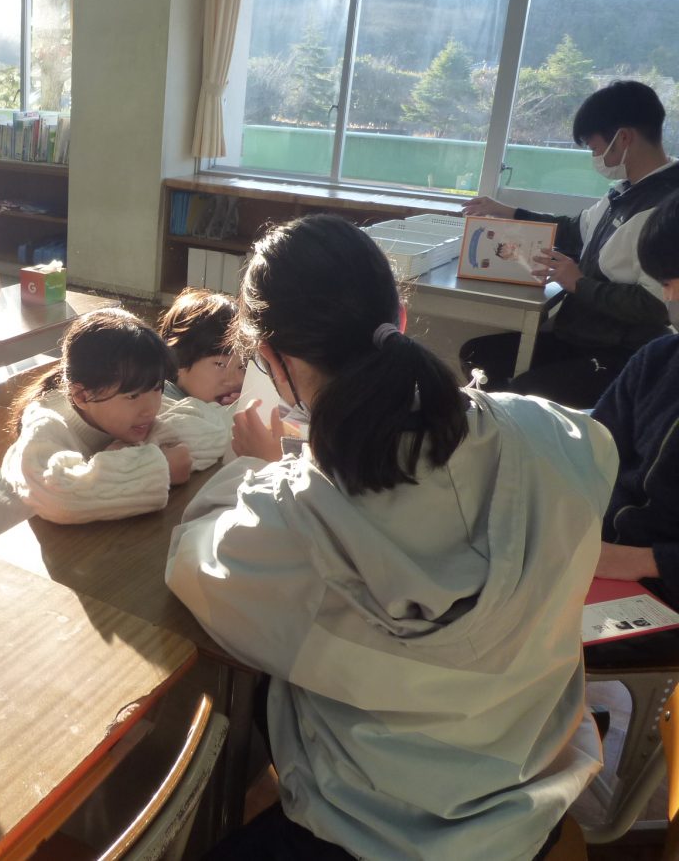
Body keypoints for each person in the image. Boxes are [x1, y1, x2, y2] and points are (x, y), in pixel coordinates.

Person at [166, 214, 617, 860]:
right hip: (533, 810)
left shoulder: (293, 522)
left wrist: (260, 467)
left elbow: (192, 561)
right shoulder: (561, 438)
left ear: (272, 361)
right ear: (400, 318)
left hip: (371, 834)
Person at [460, 80, 677, 408]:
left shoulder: (667, 208)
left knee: (521, 395)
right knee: (479, 357)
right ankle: (503, 438)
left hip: (620, 350)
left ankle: (525, 443)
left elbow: (657, 305)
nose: (594, 157)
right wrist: (509, 212)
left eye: (594, 148)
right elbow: (576, 230)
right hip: (579, 334)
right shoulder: (625, 191)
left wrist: (578, 283)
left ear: (624, 137)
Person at [0, 308, 220, 531]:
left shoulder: (133, 401)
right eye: (132, 396)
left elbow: (213, 428)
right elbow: (61, 496)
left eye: (157, 388)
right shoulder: (46, 420)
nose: (150, 409)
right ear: (81, 395)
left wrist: (135, 454)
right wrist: (159, 467)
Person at [583, 190, 679, 666]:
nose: (670, 295)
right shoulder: (661, 359)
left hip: (658, 587)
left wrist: (644, 561)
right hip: (602, 555)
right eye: (666, 280)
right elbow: (591, 450)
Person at [155, 287, 246, 462]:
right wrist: (232, 413)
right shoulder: (158, 401)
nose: (234, 380)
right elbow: (201, 435)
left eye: (242, 367)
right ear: (177, 361)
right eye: (220, 364)